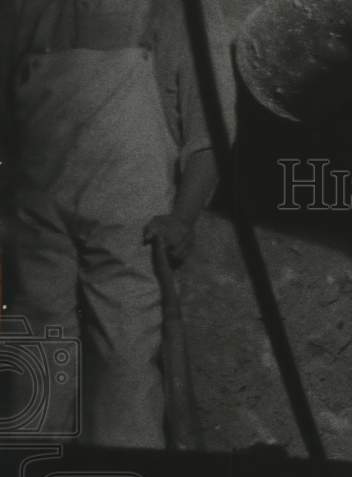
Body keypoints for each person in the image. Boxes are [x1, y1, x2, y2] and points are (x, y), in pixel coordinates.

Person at [0, 0, 218, 447]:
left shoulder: (174, 9)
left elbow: (210, 128)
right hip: (37, 216)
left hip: (130, 218)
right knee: (35, 369)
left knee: (126, 369)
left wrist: (183, 216)